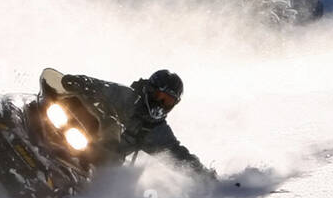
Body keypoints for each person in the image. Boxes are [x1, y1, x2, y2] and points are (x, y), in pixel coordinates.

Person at [48, 68, 214, 179]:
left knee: (108, 165)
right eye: (160, 97)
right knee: (63, 108)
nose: (161, 104)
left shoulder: (157, 131)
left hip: (94, 163)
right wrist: (80, 82)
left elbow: (178, 155)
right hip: (79, 132)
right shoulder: (126, 96)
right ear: (150, 90)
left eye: (168, 101)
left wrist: (204, 176)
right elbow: (102, 87)